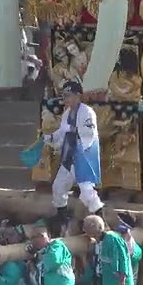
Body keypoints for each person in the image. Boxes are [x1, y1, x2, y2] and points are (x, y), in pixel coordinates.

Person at [44, 81, 106, 220]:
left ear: (78, 96)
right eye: (64, 96)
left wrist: (72, 129)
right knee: (58, 186)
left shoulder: (87, 112)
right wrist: (51, 138)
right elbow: (62, 133)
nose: (65, 99)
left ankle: (101, 218)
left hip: (83, 156)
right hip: (69, 155)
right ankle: (62, 217)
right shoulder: (67, 114)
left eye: (68, 96)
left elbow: (89, 134)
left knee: (86, 191)